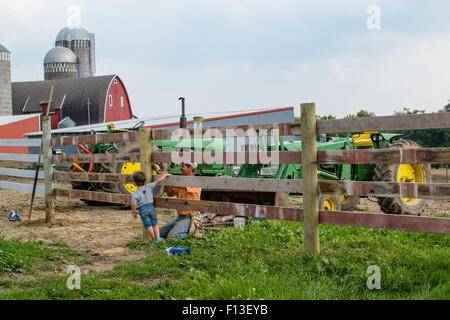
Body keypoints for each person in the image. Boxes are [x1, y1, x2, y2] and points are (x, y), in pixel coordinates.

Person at [159, 162, 202, 239]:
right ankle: (186, 230)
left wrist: (169, 179)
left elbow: (183, 187)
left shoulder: (195, 181)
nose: (180, 168)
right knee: (160, 233)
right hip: (180, 217)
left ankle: (192, 233)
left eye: (183, 166)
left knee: (173, 237)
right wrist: (165, 182)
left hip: (191, 217)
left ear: (190, 168)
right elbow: (170, 193)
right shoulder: (181, 180)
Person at [131, 171, 171, 243]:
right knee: (155, 223)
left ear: (134, 182)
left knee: (148, 225)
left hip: (142, 209)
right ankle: (158, 238)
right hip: (151, 207)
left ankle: (153, 239)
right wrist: (164, 175)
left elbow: (134, 204)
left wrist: (133, 212)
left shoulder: (135, 193)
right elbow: (158, 181)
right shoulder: (149, 186)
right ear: (145, 180)